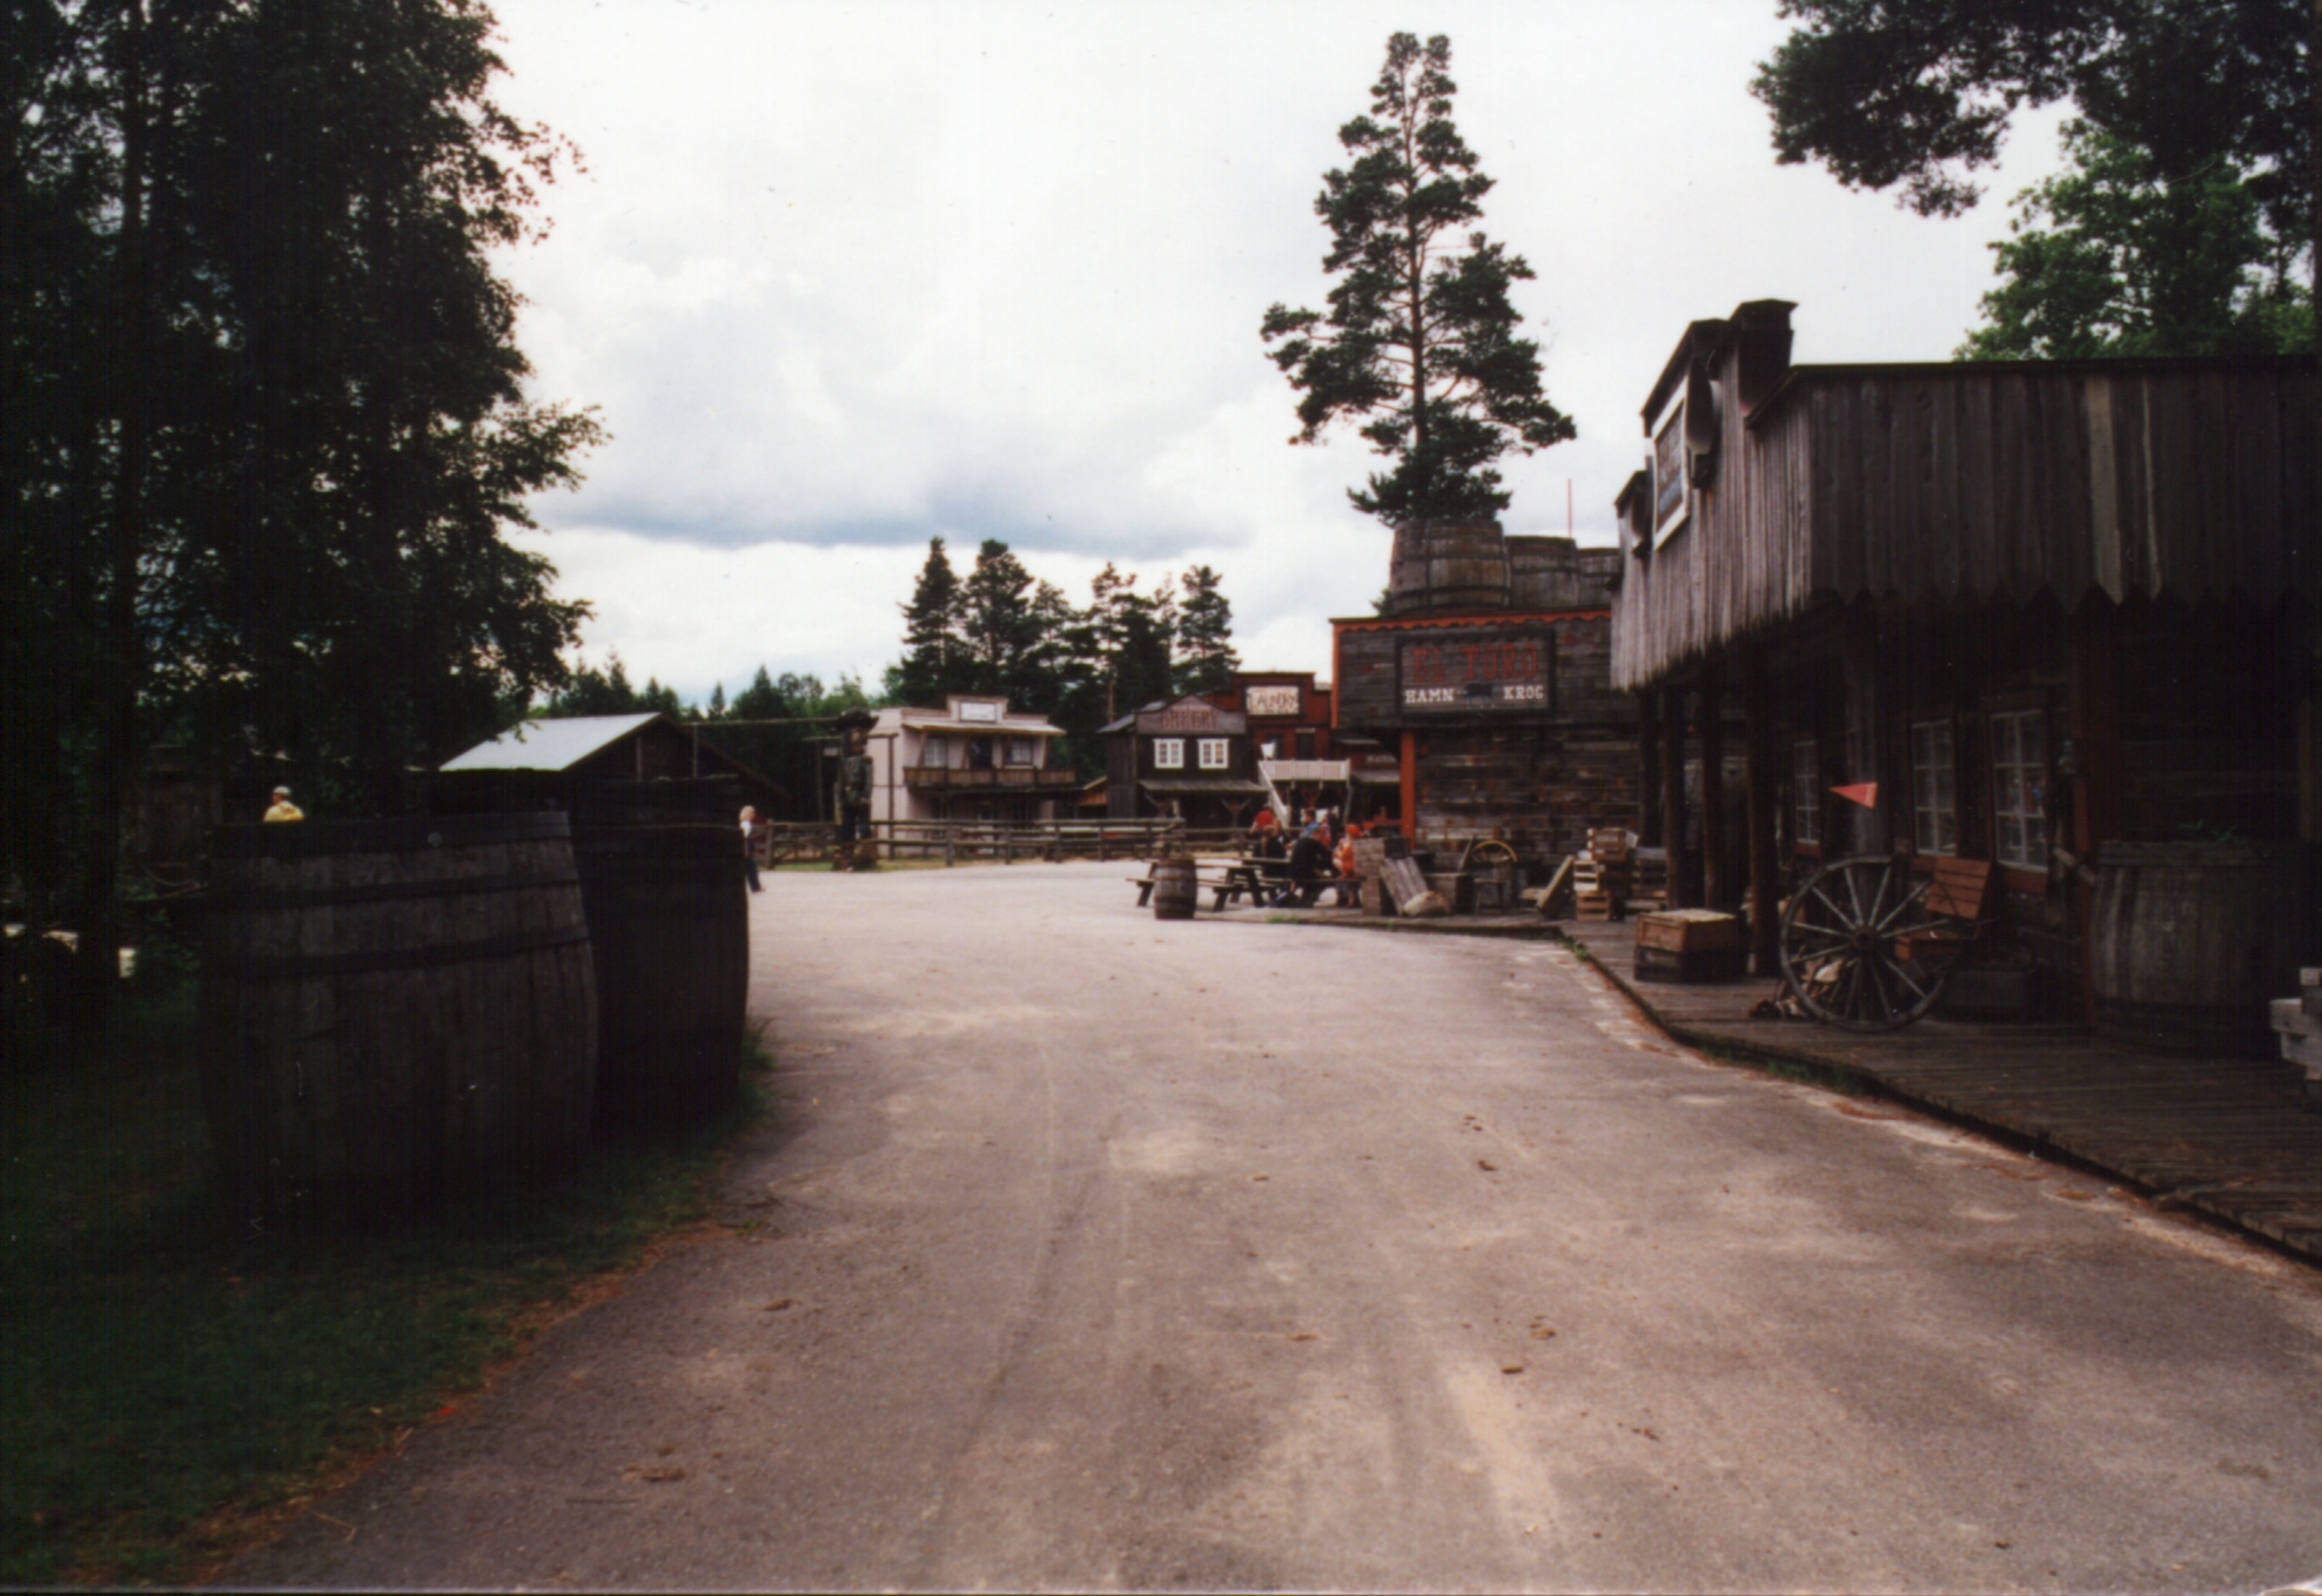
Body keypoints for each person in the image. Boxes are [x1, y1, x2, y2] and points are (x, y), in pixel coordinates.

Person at [1279, 823, 1333, 908]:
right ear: (1315, 834)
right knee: (1327, 880)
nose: (1320, 838)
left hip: (1293, 873)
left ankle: (1292, 896)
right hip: (1307, 874)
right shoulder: (1314, 843)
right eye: (1319, 835)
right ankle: (1311, 897)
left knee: (1299, 879)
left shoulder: (1300, 841)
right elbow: (1328, 854)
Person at [739, 806, 765, 892]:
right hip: (746, 849)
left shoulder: (745, 824)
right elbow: (745, 838)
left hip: (748, 848)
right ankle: (755, 887)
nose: (753, 815)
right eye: (752, 813)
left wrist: (754, 849)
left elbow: (749, 838)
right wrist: (746, 850)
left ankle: (755, 886)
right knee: (752, 868)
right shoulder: (746, 825)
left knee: (750, 868)